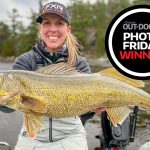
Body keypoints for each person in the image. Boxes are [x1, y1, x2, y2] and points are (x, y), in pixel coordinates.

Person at [6, 1, 98, 150]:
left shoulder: (79, 64)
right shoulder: (24, 62)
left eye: (59, 23)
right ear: (40, 28)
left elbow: (86, 113)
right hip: (32, 137)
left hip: (71, 136)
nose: (53, 29)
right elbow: (8, 108)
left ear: (68, 29)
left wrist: (94, 107)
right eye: (47, 23)